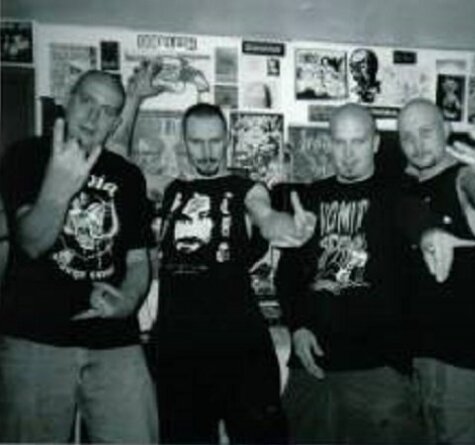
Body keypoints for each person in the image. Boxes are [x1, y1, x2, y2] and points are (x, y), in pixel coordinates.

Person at [0, 70, 158, 443]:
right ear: (68, 100)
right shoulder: (26, 155)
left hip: (115, 340)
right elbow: (31, 242)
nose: (93, 116)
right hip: (36, 336)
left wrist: (127, 301)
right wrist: (57, 190)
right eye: (87, 101)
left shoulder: (128, 175)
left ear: (115, 123)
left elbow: (139, 261)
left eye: (107, 111)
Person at [155, 102, 316, 444]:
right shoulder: (172, 191)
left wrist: (289, 227)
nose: (207, 151)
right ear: (184, 142)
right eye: (197, 142)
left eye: (215, 141)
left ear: (227, 140)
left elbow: (265, 215)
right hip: (178, 349)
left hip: (238, 348)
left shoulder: (246, 189)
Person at [276, 103, 423, 444]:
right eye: (340, 142)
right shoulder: (310, 197)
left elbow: (425, 229)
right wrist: (297, 327)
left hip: (378, 370)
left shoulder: (399, 194)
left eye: (358, 142)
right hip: (312, 368)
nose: (348, 154)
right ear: (329, 143)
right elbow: (287, 275)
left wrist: (432, 235)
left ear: (375, 143)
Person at [398, 98, 475, 444]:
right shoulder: (413, 187)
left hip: (464, 367)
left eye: (426, 132)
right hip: (426, 363)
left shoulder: (462, 179)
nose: (417, 145)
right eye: (407, 137)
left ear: (446, 129)